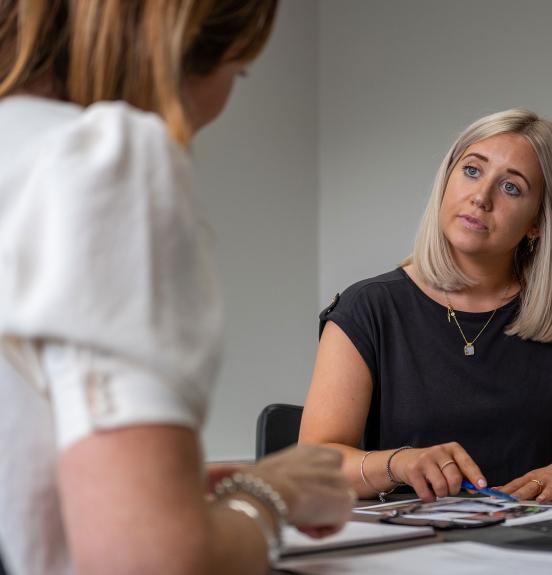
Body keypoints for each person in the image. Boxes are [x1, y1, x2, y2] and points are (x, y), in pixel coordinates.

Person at [0, 2, 353, 574]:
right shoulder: (102, 163)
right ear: (183, 40)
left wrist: (166, 492)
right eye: (238, 71)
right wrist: (269, 497)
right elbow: (148, 564)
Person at [300, 108, 552, 505]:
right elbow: (313, 464)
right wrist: (398, 463)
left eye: (511, 188)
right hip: (412, 553)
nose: (480, 197)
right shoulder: (368, 308)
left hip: (536, 548)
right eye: (471, 171)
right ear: (446, 180)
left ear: (539, 223)